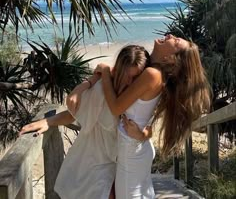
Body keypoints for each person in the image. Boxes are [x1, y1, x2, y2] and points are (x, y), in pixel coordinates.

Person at [79, 34, 211, 199]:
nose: (171, 35)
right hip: (136, 145)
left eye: (176, 41)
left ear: (171, 58)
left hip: (131, 151)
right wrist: (144, 134)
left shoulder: (152, 74)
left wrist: (105, 72)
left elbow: (115, 107)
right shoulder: (151, 72)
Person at [20, 45, 151, 199]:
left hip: (123, 164)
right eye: (127, 76)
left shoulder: (140, 98)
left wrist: (142, 134)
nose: (130, 82)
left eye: (136, 78)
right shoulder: (103, 89)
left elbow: (150, 127)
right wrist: (49, 121)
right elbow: (74, 113)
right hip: (95, 164)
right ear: (119, 71)